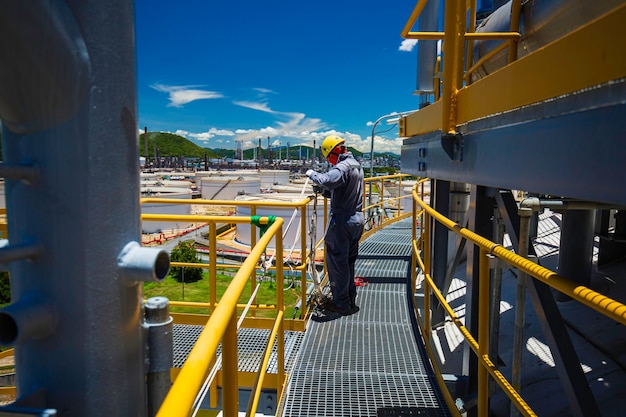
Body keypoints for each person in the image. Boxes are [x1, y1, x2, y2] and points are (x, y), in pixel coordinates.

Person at [306, 135, 364, 321]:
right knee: (348, 263)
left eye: (328, 157)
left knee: (337, 264)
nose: (329, 161)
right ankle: (348, 301)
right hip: (356, 219)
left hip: (342, 221)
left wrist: (311, 174)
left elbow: (327, 180)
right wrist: (325, 192)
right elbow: (340, 188)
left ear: (336, 150)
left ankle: (341, 304)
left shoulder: (343, 166)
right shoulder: (356, 165)